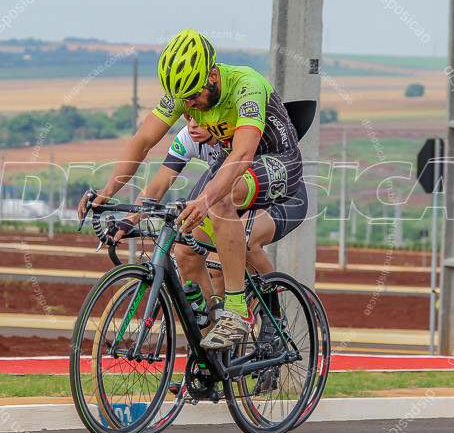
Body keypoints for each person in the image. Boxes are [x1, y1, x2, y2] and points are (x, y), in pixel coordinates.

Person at [78, 29, 303, 349]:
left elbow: (242, 155)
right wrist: (109, 193)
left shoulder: (246, 85)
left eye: (194, 97)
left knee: (219, 200)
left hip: (276, 160)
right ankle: (215, 358)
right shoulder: (184, 91)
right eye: (182, 100)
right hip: (231, 164)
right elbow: (142, 142)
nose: (189, 106)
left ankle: (238, 312)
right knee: (184, 247)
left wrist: (206, 199)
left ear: (213, 76)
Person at [111, 113, 309, 316]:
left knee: (244, 240)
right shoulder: (187, 138)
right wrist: (128, 221)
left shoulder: (239, 131)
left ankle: (272, 316)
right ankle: (206, 342)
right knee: (185, 250)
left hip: (279, 194)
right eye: (188, 118)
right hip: (228, 190)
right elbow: (158, 186)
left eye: (199, 119)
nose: (192, 125)